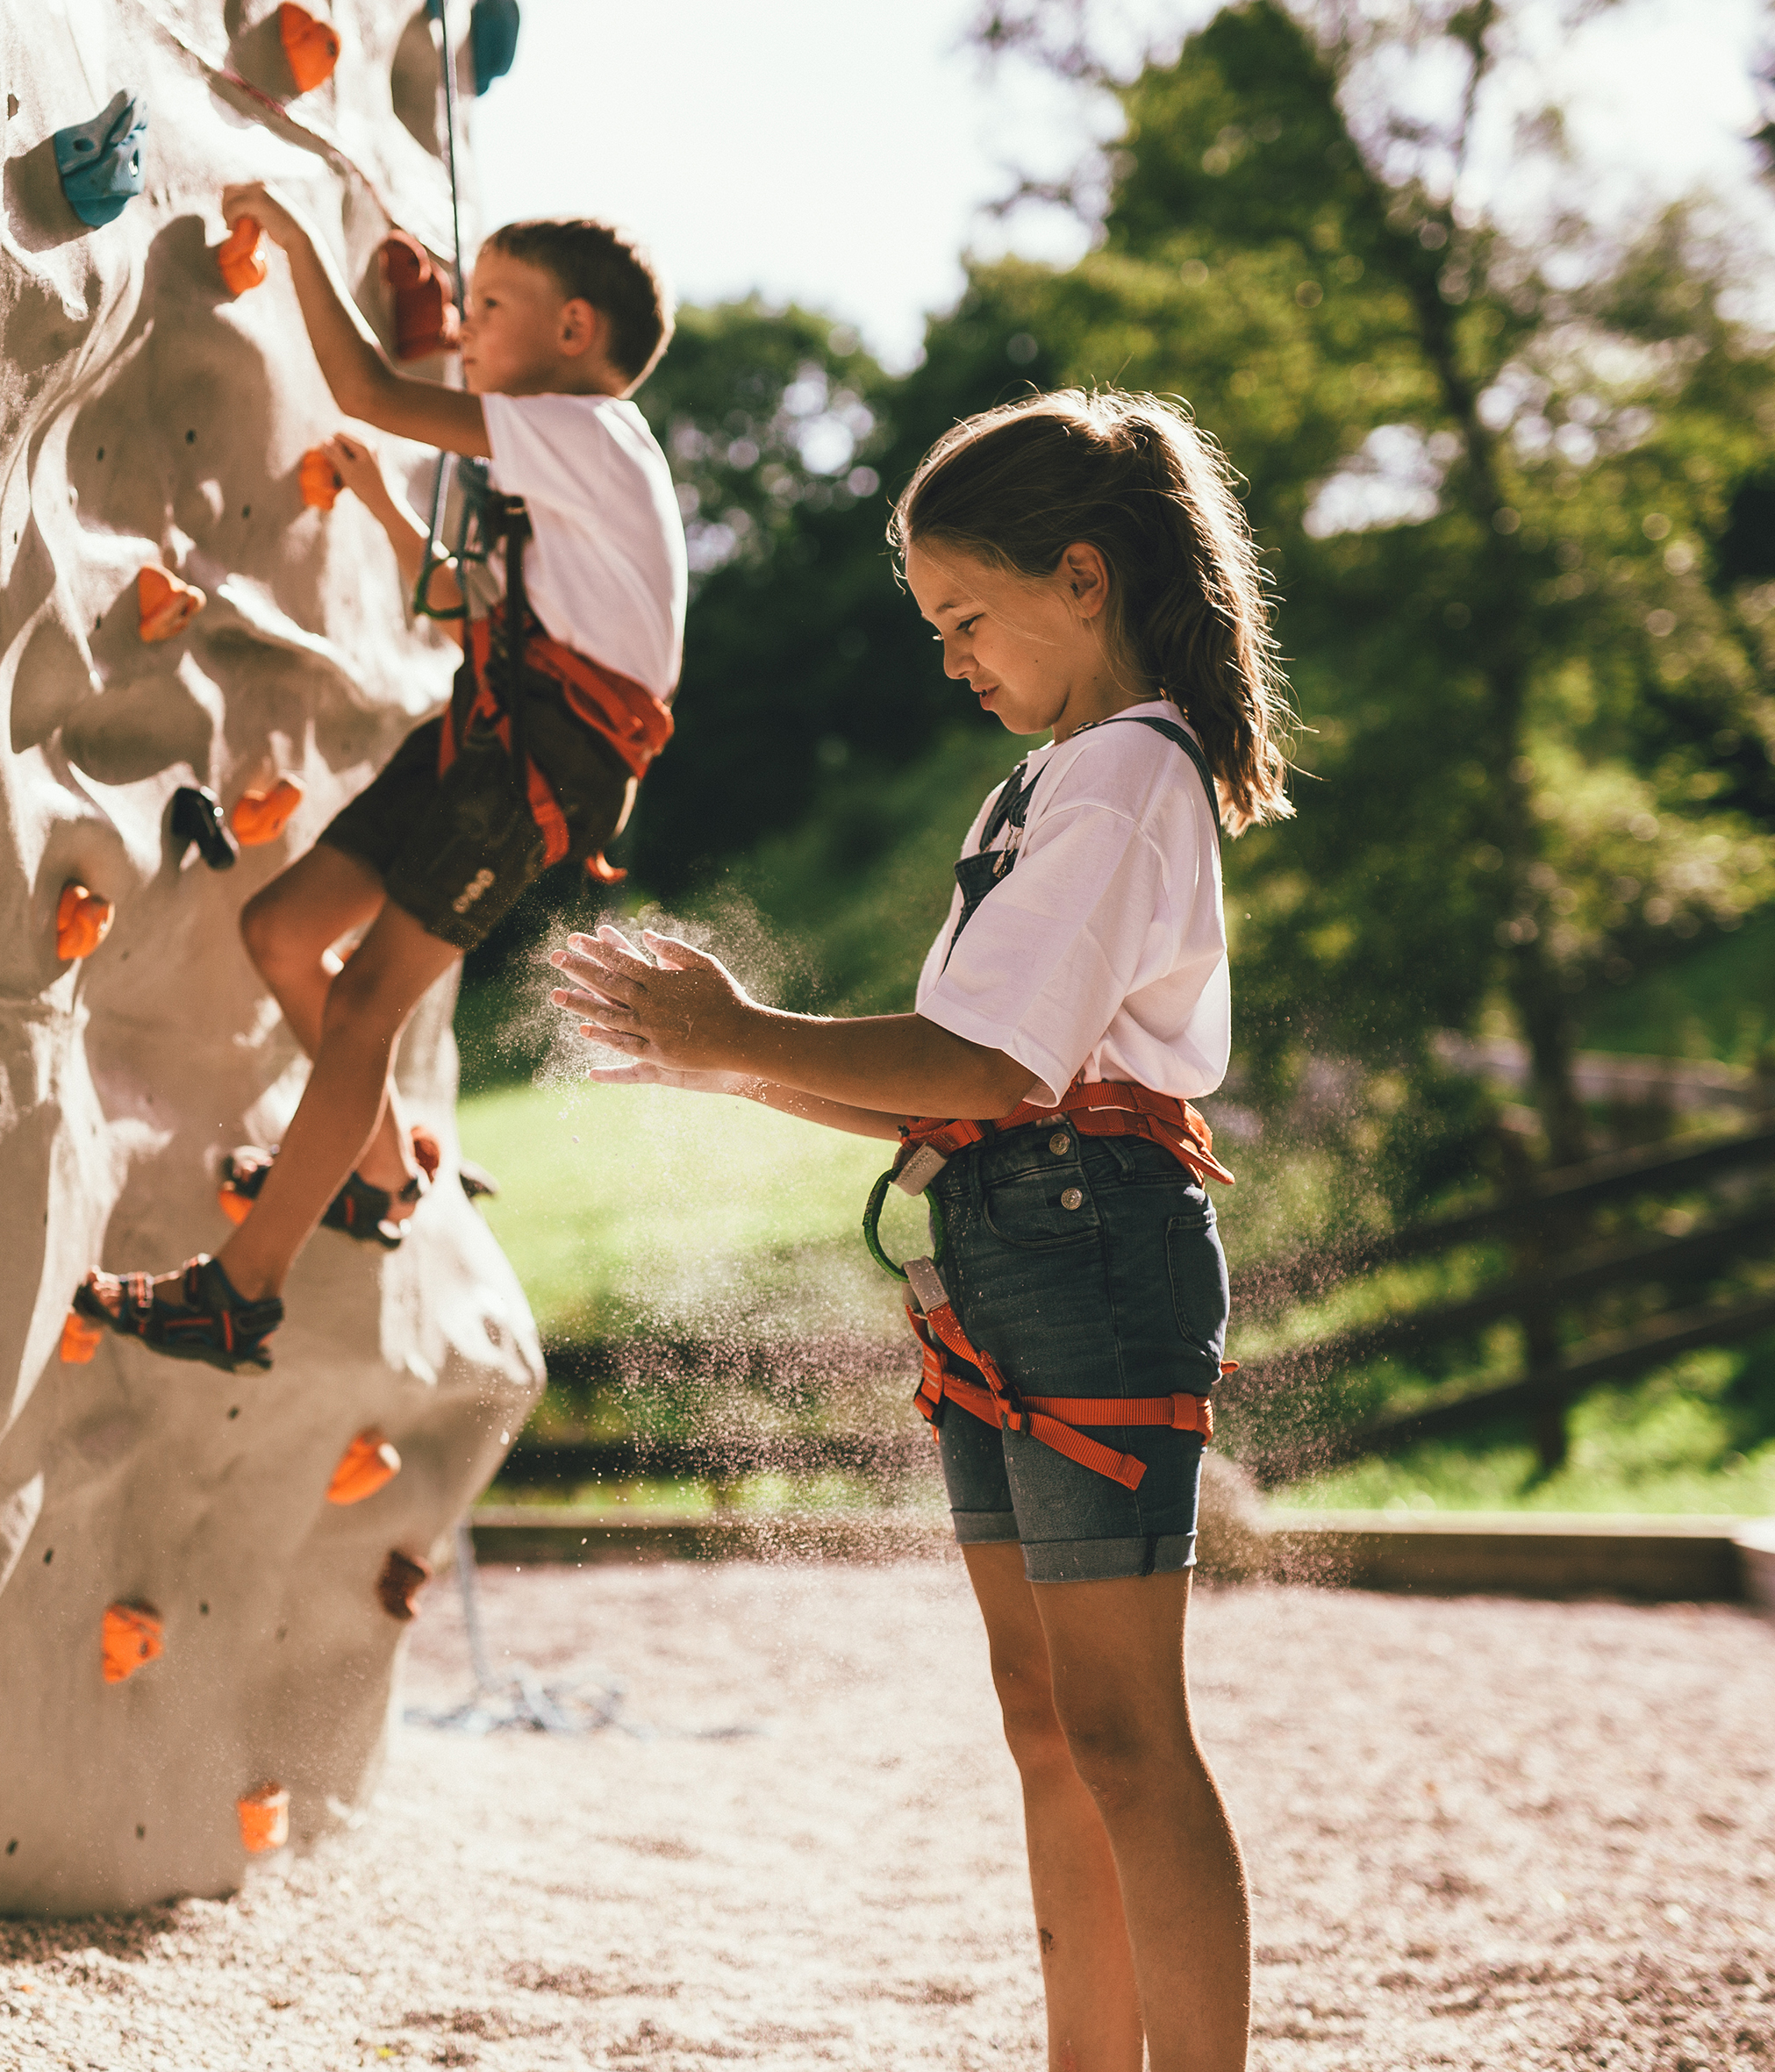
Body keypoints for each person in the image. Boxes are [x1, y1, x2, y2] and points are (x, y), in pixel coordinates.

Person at [546, 389, 1295, 2072]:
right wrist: (720, 1057)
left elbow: (993, 1064)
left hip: (1091, 1244)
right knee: (1048, 1725)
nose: (950, 658)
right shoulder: (1045, 785)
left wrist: (737, 1034)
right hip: (1012, 1243)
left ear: (1082, 579)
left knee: (1122, 1730)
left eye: (967, 618)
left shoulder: (1118, 780)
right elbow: (946, 1096)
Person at [73, 198, 684, 1369]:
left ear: (572, 327)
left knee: (364, 1011)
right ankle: (376, 1171)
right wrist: (391, 509)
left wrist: (297, 242)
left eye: (489, 308)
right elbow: (465, 609)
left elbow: (373, 389)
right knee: (284, 932)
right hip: (491, 733)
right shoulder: (566, 462)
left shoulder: (590, 428)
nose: (464, 333)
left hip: (540, 766)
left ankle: (241, 1292)